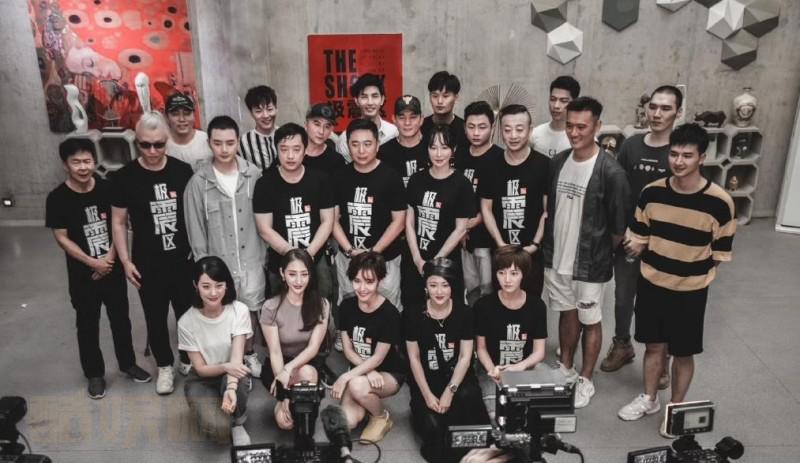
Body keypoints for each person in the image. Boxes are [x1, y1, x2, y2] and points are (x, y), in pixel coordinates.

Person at [617, 123, 735, 437]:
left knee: (683, 353)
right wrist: (634, 244)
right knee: (653, 346)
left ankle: (676, 409)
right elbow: (639, 237)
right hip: (652, 283)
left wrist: (690, 273)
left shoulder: (720, 202)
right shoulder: (651, 192)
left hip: (690, 291)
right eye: (674, 154)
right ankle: (649, 398)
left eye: (687, 155)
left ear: (702, 158)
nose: (678, 161)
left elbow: (719, 254)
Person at [541, 97, 632, 409]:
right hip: (557, 258)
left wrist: (600, 254)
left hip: (591, 264)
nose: (574, 132)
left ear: (598, 126)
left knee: (590, 320)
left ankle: (586, 379)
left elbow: (618, 227)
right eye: (570, 126)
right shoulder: (558, 162)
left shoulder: (611, 172)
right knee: (566, 314)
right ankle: (566, 368)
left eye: (582, 126)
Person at [46, 138, 150, 399]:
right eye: (76, 162)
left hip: (111, 268)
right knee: (87, 324)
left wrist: (109, 260)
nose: (83, 167)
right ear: (65, 165)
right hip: (83, 274)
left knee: (121, 320)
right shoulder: (57, 198)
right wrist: (92, 262)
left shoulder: (108, 188)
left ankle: (127, 364)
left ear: (95, 161)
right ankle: (94, 374)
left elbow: (119, 224)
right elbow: (62, 238)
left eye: (87, 161)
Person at [602, 86, 684, 385]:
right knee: (623, 297)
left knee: (660, 303)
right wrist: (622, 230)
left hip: (665, 244)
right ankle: (622, 344)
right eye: (653, 107)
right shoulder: (631, 145)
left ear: (678, 112)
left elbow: (680, 204)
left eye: (666, 108)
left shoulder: (680, 152)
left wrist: (647, 238)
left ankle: (662, 359)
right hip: (628, 240)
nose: (657, 113)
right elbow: (620, 193)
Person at [111, 111, 195, 395]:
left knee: (187, 315)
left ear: (167, 141)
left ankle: (187, 358)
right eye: (145, 144)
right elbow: (118, 222)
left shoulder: (182, 172)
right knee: (155, 318)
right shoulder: (124, 177)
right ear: (136, 142)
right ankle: (165, 365)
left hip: (182, 260)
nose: (152, 151)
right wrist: (125, 261)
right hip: (147, 262)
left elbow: (195, 215)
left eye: (158, 144)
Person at [183, 115, 266, 379]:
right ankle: (227, 362)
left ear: (238, 141)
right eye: (218, 143)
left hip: (251, 259)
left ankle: (249, 353)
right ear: (209, 143)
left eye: (230, 143)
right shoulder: (199, 183)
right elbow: (196, 231)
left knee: (250, 310)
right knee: (222, 313)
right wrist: (205, 271)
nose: (224, 149)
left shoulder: (253, 174)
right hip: (219, 264)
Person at [405, 257, 488, 462]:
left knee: (473, 431)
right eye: (433, 285)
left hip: (457, 380)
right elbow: (414, 358)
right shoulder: (412, 314)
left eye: (445, 285)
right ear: (425, 287)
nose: (439, 291)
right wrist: (427, 395)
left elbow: (465, 357)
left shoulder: (465, 313)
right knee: (435, 432)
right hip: (427, 381)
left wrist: (450, 391)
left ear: (452, 287)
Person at [253, 123, 335, 302]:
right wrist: (293, 256)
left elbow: (328, 221)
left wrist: (308, 254)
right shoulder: (264, 184)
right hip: (280, 261)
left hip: (316, 258)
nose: (290, 156)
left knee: (322, 305)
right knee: (281, 308)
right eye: (284, 149)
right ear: (276, 150)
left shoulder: (320, 180)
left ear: (305, 150)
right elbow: (264, 229)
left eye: (296, 149)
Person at [332, 118, 406, 311]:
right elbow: (333, 220)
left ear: (377, 145)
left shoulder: (391, 177)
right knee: (350, 305)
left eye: (367, 144)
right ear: (348, 146)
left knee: (388, 308)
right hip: (349, 258)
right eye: (355, 144)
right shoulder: (339, 177)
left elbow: (399, 221)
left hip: (385, 259)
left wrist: (373, 252)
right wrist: (350, 251)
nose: (361, 150)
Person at [178, 256, 252, 446]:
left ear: (227, 285)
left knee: (240, 378)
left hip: (232, 372)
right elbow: (200, 369)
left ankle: (238, 421)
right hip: (202, 378)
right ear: (195, 285)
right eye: (206, 286)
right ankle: (208, 408)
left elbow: (236, 359)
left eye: (219, 285)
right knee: (219, 431)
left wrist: (231, 388)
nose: (213, 293)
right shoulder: (186, 322)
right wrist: (226, 366)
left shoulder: (239, 311)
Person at [331, 252, 404, 442]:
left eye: (369, 282)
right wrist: (367, 371)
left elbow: (378, 358)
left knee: (357, 385)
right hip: (362, 370)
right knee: (347, 422)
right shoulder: (346, 306)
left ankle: (381, 417)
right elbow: (348, 350)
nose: (362, 288)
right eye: (357, 281)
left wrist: (346, 377)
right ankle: (365, 400)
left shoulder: (390, 314)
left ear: (380, 281)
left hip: (388, 373)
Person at [479, 104, 550, 297]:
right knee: (500, 305)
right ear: (500, 131)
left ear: (530, 130)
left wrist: (534, 245)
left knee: (531, 304)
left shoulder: (544, 165)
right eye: (507, 129)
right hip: (500, 254)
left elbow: (547, 211)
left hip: (531, 254)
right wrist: (501, 244)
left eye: (519, 129)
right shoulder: (490, 164)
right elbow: (486, 208)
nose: (513, 135)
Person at [404, 124, 476, 308]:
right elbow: (409, 223)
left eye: (444, 147)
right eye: (433, 147)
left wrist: (435, 262)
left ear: (454, 149)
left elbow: (461, 229)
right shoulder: (416, 180)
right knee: (414, 310)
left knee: (448, 311)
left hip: (447, 263)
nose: (438, 154)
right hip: (415, 259)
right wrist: (418, 260)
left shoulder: (462, 184)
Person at [260, 249, 330, 430]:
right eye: (292, 274)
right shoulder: (270, 307)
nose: (298, 281)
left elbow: (313, 348)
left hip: (306, 363)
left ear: (311, 275)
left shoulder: (322, 304)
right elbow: (275, 352)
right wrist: (284, 393)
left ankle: (305, 405)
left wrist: (289, 368)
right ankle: (286, 401)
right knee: (286, 424)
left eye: (304, 274)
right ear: (282, 274)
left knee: (307, 374)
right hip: (278, 365)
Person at [475, 245, 547, 417]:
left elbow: (539, 352)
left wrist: (518, 367)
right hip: (491, 369)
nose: (507, 279)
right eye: (501, 273)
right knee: (496, 415)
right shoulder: (483, 306)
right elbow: (481, 349)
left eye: (514, 273)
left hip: (525, 367)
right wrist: (493, 371)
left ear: (523, 274)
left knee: (538, 413)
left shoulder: (537, 306)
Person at [460, 101, 504, 305]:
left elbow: (498, 202)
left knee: (488, 291)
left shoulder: (500, 157)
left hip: (487, 240)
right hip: (463, 239)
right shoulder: (459, 155)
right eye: (471, 127)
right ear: (464, 127)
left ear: (492, 127)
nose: (476, 133)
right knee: (471, 291)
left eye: (482, 127)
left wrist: (473, 222)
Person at [336, 73, 399, 162]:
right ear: (356, 101)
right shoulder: (345, 139)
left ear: (382, 99)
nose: (370, 102)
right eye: (364, 97)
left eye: (375, 96)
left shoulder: (394, 132)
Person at [378, 95, 428, 187]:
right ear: (394, 119)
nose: (407, 123)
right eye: (402, 117)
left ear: (421, 119)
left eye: (413, 117)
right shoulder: (383, 153)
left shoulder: (432, 149)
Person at [421, 71, 468, 159]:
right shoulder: (420, 127)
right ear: (429, 97)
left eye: (445, 96)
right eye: (435, 96)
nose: (439, 101)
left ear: (456, 97)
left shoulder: (465, 129)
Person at [530, 76, 580, 158]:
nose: (556, 106)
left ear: (575, 102)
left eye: (563, 101)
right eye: (553, 99)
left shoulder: (582, 138)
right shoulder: (535, 134)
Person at [165, 93, 212, 170]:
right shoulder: (160, 145)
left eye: (187, 114)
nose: (181, 119)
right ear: (166, 117)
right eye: (175, 114)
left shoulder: (207, 140)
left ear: (194, 115)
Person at [239, 85, 279, 171]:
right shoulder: (243, 142)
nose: (265, 115)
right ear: (251, 113)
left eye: (269, 109)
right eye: (258, 111)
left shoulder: (286, 136)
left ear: (276, 109)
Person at [303, 103, 346, 172]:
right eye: (317, 124)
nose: (321, 131)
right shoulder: (293, 154)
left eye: (327, 126)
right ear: (306, 125)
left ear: (331, 130)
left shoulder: (336, 160)